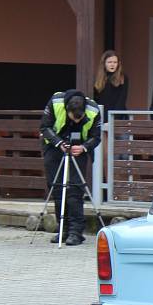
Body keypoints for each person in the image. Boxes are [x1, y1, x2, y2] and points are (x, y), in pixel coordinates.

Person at [39, 90, 102, 246]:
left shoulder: (93, 110)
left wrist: (84, 147)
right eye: (73, 118)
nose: (75, 121)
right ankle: (63, 229)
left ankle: (76, 232)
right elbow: (44, 128)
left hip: (79, 147)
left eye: (79, 118)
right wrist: (59, 143)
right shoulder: (55, 102)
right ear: (67, 110)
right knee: (57, 187)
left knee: (75, 188)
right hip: (54, 146)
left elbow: (96, 136)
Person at [93, 50, 128, 122]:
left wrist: (115, 118)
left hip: (117, 116)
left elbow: (122, 99)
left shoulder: (123, 78)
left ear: (118, 64)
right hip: (100, 115)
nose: (112, 65)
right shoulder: (97, 78)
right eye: (109, 62)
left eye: (115, 62)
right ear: (104, 63)